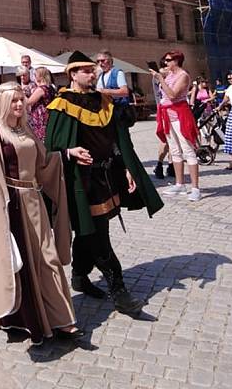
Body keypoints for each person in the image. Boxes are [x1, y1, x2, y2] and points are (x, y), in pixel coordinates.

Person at [46, 51, 163, 314]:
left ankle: (78, 274)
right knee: (96, 232)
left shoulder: (103, 102)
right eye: (87, 70)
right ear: (73, 74)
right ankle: (119, 288)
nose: (93, 73)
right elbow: (51, 147)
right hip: (80, 181)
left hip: (106, 177)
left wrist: (128, 169)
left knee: (92, 229)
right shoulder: (61, 104)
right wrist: (69, 153)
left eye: (94, 69)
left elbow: (117, 140)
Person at [0, 82, 81, 343]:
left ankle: (62, 318)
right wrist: (1, 215)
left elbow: (43, 163)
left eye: (21, 100)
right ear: (3, 102)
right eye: (13, 100)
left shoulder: (25, 130)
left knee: (48, 258)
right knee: (22, 264)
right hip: (12, 205)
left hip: (34, 201)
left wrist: (67, 154)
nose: (19, 104)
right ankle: (25, 318)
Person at [151, 50, 201, 201]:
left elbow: (172, 95)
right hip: (168, 116)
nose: (165, 63)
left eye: (168, 60)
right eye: (165, 60)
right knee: (174, 150)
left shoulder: (183, 76)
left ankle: (195, 187)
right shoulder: (170, 75)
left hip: (180, 115)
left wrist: (161, 79)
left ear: (176, 61)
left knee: (188, 150)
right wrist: (161, 77)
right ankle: (179, 183)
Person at [96, 51, 133, 127]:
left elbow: (125, 91)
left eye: (103, 60)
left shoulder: (117, 73)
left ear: (110, 61)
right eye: (98, 61)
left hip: (119, 111)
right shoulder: (101, 75)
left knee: (121, 136)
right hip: (106, 111)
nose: (100, 63)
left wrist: (104, 91)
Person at [25, 67, 56, 140]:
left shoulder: (41, 89)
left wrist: (22, 93)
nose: (34, 77)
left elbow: (28, 102)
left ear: (41, 76)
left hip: (40, 116)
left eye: (35, 75)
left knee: (41, 137)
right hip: (47, 113)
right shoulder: (50, 87)